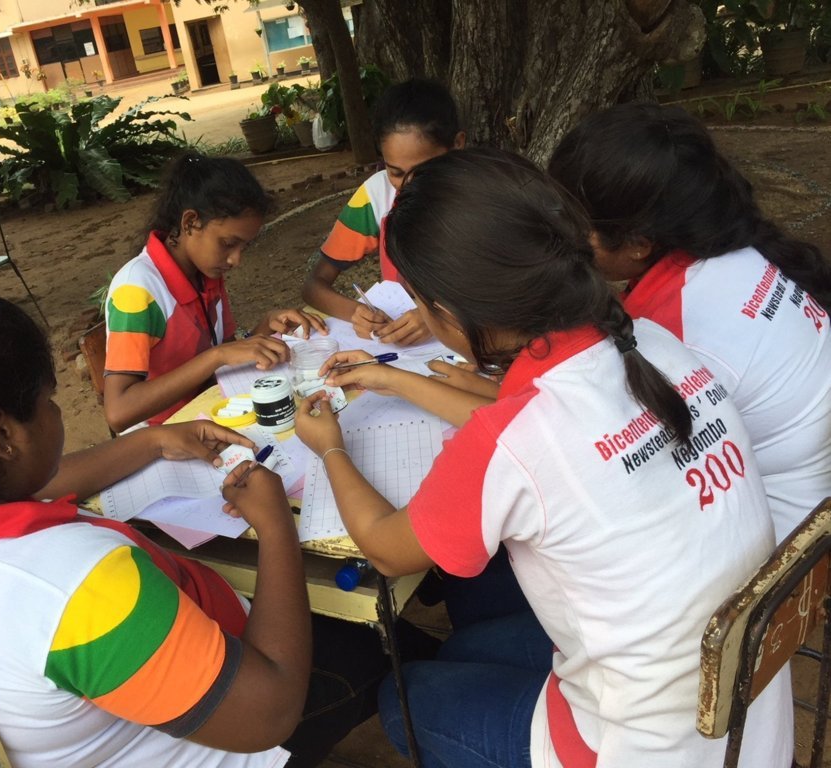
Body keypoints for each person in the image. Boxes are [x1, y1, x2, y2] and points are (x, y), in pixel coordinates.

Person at [287, 149, 792, 767]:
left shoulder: (515, 438)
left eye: (417, 300)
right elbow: (533, 422)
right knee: (467, 643)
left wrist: (330, 447)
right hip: (743, 716)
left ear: (447, 311)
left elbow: (388, 549)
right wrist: (390, 380)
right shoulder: (648, 342)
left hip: (634, 747)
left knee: (406, 695)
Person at [0, 290, 393, 768]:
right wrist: (274, 528)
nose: (57, 414)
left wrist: (151, 440)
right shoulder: (79, 589)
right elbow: (270, 712)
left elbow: (40, 482)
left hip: (105, 725)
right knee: (387, 651)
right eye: (48, 402)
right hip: (232, 728)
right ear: (1, 434)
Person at [548, 101, 831, 542]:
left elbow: (600, 460)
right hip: (807, 503)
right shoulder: (736, 250)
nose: (560, 236)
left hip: (778, 558)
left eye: (572, 225)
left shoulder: (668, 332)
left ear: (639, 242)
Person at [104, 151, 327, 433]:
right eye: (228, 243)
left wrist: (263, 329)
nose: (236, 259)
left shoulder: (206, 274)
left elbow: (225, 352)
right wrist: (217, 356)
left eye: (243, 247)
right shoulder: (136, 290)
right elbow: (119, 411)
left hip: (209, 410)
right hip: (161, 435)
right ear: (189, 223)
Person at [301, 78, 465, 347]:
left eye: (423, 171)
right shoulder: (377, 197)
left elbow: (515, 287)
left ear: (457, 144)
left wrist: (440, 317)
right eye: (395, 172)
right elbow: (314, 286)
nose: (409, 185)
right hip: (410, 354)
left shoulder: (484, 199)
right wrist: (357, 313)